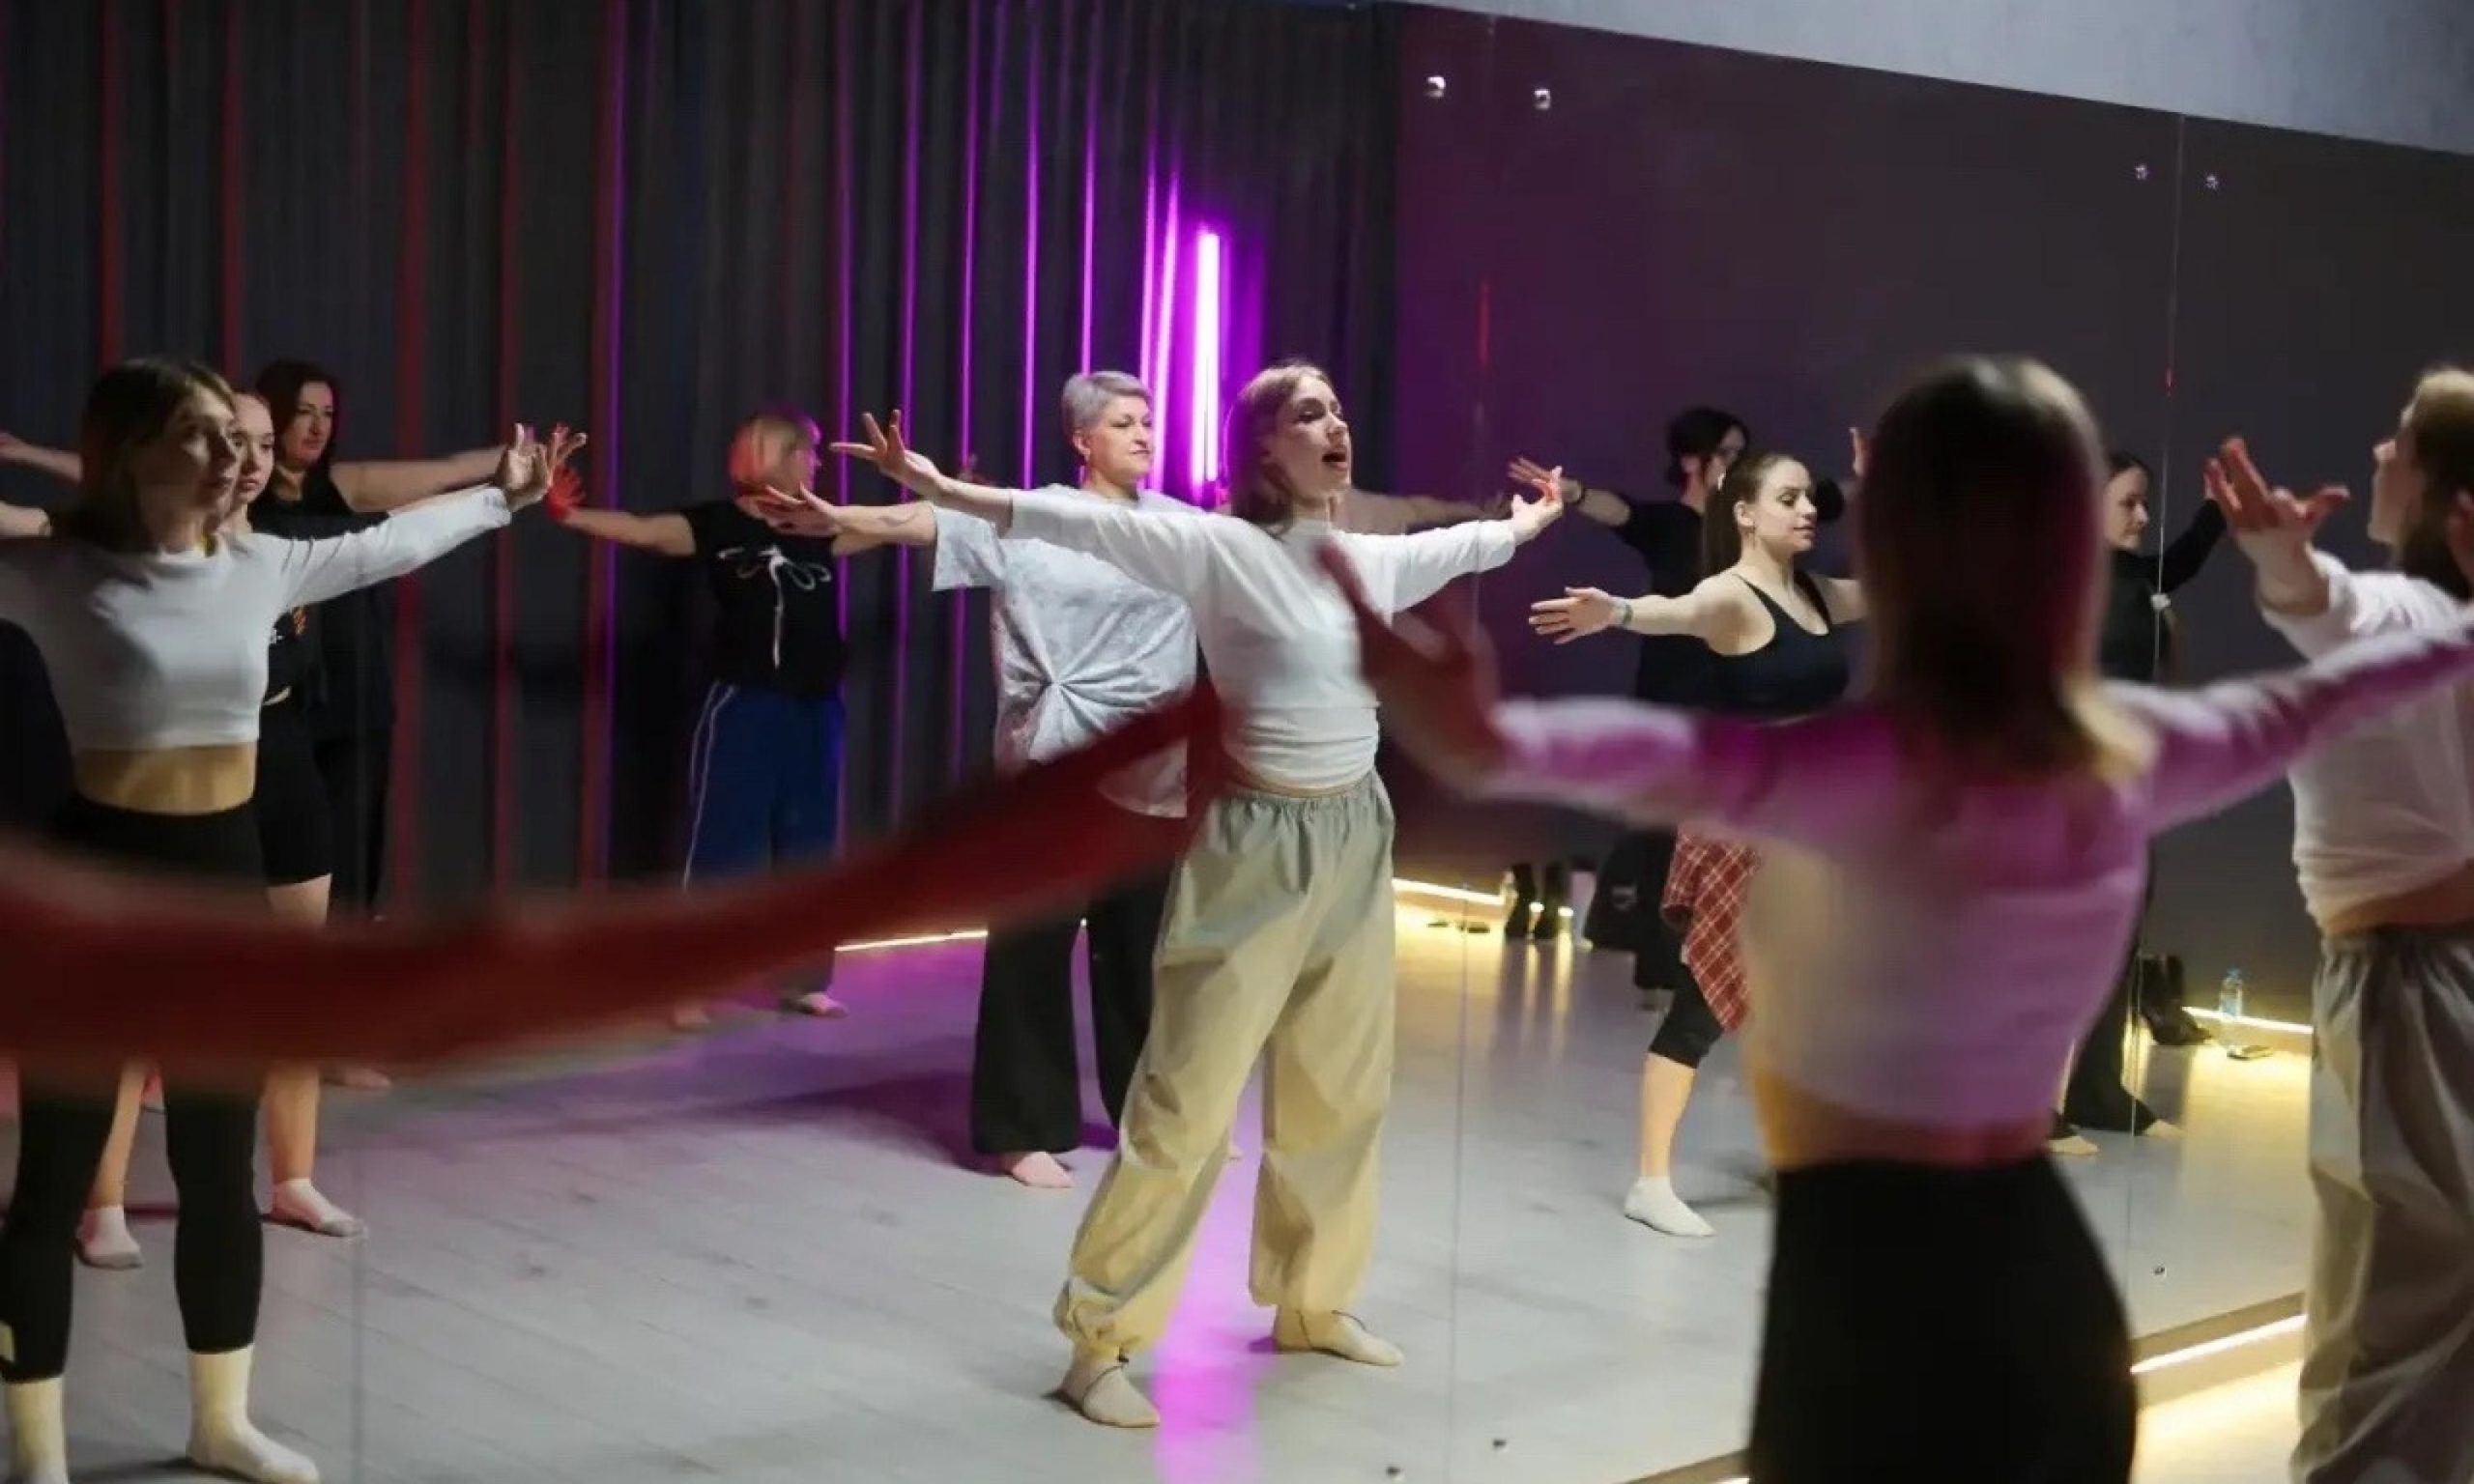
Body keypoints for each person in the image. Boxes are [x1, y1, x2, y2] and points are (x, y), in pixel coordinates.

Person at [1330, 354, 2474, 1483]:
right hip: (2050, 1299)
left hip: (1868, 1315)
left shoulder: (1858, 764)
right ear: (2075, 557)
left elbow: (1643, 754)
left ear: (1889, 551)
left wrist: (1482, 740)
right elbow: (2338, 690)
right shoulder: (2131, 751)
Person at [823, 360, 1563, 1429]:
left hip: (1356, 835)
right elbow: (1062, 523)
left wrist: (1529, 522)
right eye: (1308, 412)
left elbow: (1463, 546)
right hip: (1253, 843)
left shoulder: (1362, 559)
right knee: (1185, 1105)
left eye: (1338, 408)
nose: (1335, 423)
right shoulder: (1215, 548)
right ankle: (1100, 1339)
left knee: (1340, 1090)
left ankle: (1311, 1300)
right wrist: (943, 488)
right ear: (1264, 446)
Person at [0, 357, 565, 1484]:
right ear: (132, 450)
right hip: (98, 887)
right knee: (52, 1175)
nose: (234, 456)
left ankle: (220, 1421)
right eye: (203, 435)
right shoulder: (58, 569)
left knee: (221, 1165)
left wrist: (500, 498)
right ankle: (35, 1449)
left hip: (223, 884)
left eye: (236, 434)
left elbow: (387, 543)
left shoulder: (260, 563)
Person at [748, 371, 1198, 1190]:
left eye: (1147, 421)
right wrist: (840, 516)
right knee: (1033, 949)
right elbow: (921, 520)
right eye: (1123, 423)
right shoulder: (1029, 517)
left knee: (1143, 955)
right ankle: (1020, 1131)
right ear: (1082, 439)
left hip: (1152, 776)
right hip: (1053, 767)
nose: (1143, 434)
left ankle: (1158, 1115)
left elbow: (1266, 562)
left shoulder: (1180, 527)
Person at [0, 396, 389, 1269]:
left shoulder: (284, 552)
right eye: (233, 443)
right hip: (180, 779)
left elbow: (397, 535)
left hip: (280, 770)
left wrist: (502, 495)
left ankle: (293, 1180)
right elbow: (32, 525)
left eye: (262, 445)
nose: (251, 460)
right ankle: (102, 1205)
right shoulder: (139, 547)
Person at [2204, 372, 2474, 1484]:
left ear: (2450, 504)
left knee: (2382, 1325)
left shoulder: (2415, 617)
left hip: (2408, 991)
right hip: (2430, 979)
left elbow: (2333, 607)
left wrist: (2282, 561)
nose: (2377, 453)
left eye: (2401, 443)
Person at [1529, 449, 1861, 1239]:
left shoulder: (1817, 593)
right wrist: (1615, 610)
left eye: (1810, 498)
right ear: (1744, 513)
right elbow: (1673, 610)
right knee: (1703, 1004)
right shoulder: (1732, 596)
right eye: (1789, 498)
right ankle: (1651, 1182)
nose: (1808, 509)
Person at [544, 409, 856, 1024]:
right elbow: (641, 530)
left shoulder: (824, 525)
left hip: (815, 708)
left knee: (810, 846)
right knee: (723, 847)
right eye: (809, 452)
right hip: (744, 705)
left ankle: (803, 980)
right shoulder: (716, 524)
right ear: (778, 456)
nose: (817, 463)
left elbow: (900, 529)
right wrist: (569, 515)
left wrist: (948, 497)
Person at [246, 360, 508, 929]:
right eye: (302, 412)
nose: (317, 426)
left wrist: (510, 466)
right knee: (278, 854)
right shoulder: (237, 505)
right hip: (276, 703)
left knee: (353, 848)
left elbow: (440, 480)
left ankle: (349, 956)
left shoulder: (342, 487)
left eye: (327, 414)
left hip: (352, 691)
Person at [1499, 407, 1747, 947]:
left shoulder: (1743, 532)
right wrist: (1574, 493)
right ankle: (1652, 948)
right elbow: (1622, 512)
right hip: (1672, 688)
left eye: (1740, 453)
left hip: (1730, 689)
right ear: (1691, 460)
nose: (1736, 463)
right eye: (1725, 453)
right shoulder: (1668, 525)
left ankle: (1694, 952)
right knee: (1664, 826)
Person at [2052, 451, 2233, 1150]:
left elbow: (2179, 561)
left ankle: (2096, 1089)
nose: (2142, 515)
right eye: (2128, 502)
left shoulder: (2131, 575)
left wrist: (2216, 509)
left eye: (2143, 502)